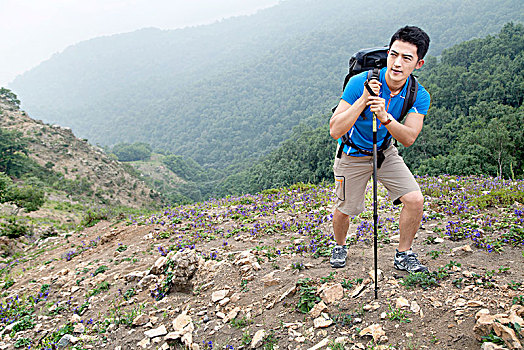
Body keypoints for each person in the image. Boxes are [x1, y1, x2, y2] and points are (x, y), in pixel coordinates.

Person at [329, 26, 431, 273]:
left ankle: (403, 253)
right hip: (351, 153)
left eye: (407, 58)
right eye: (393, 54)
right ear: (387, 53)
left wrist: (385, 117)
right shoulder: (359, 83)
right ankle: (340, 245)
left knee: (415, 200)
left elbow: (408, 138)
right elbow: (335, 129)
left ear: (419, 64)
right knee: (346, 208)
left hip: (385, 152)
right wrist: (364, 99)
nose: (397, 63)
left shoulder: (419, 95)